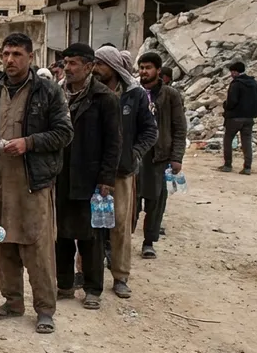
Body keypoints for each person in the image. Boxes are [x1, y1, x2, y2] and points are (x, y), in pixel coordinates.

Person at [0, 33, 73, 334]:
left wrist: (29, 142)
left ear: (30, 58)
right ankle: (12, 302)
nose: (10, 60)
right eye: (6, 53)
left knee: (37, 246)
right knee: (3, 242)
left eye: (17, 54)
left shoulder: (47, 91)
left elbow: (64, 133)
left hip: (33, 181)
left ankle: (45, 309)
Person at [55, 44, 120, 310]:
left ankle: (93, 289)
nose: (68, 68)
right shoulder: (56, 94)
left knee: (91, 236)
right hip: (59, 176)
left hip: (90, 177)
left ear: (89, 66)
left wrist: (106, 178)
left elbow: (113, 142)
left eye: (73, 63)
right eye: (66, 62)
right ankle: (64, 284)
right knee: (61, 235)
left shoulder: (104, 98)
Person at [92, 46, 157, 299]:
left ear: (113, 66)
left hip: (121, 172)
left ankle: (120, 276)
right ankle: (85, 271)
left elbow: (150, 132)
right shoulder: (91, 92)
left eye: (100, 64)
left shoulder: (134, 95)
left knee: (119, 225)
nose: (95, 68)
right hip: (92, 171)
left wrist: (134, 153)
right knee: (89, 226)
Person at [136, 52, 186, 258]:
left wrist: (177, 157)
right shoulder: (133, 93)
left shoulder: (170, 95)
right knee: (131, 203)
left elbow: (179, 128)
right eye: (141, 68)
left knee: (156, 203)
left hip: (159, 158)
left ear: (158, 70)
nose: (144, 72)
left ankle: (149, 241)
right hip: (136, 157)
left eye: (148, 68)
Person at [220, 61, 257, 175]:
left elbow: (232, 101)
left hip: (235, 117)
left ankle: (227, 165)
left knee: (228, 140)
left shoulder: (236, 84)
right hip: (249, 117)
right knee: (246, 141)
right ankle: (247, 167)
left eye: (232, 72)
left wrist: (225, 106)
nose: (231, 74)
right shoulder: (253, 83)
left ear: (235, 71)